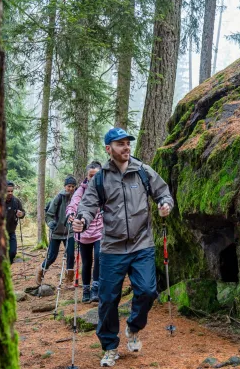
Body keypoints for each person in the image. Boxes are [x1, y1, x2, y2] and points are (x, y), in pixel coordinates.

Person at [72, 128, 174, 368]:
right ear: (109, 149)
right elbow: (88, 206)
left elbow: (163, 192)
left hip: (142, 245)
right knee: (108, 300)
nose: (126, 147)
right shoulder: (100, 178)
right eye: (120, 144)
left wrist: (165, 204)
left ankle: (133, 327)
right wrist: (82, 220)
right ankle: (109, 347)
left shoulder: (142, 171)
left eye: (128, 143)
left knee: (148, 291)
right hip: (112, 248)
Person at [66, 161, 104, 303]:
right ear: (86, 176)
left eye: (96, 175)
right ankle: (86, 290)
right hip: (84, 231)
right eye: (90, 176)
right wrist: (70, 214)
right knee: (87, 262)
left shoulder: (104, 189)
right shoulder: (80, 191)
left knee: (99, 258)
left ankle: (96, 288)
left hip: (100, 231)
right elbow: (73, 204)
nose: (93, 179)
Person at [36, 175, 77, 288]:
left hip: (70, 232)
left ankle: (69, 280)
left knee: (70, 255)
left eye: (73, 186)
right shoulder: (59, 197)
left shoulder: (76, 198)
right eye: (69, 186)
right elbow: (49, 214)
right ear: (65, 186)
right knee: (52, 256)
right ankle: (41, 271)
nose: (71, 188)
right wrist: (50, 224)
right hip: (57, 231)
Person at [5, 181, 26, 264]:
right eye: (8, 191)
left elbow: (23, 213)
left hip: (11, 232)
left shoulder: (16, 201)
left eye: (11, 191)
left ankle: (8, 266)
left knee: (13, 252)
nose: (10, 193)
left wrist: (21, 214)